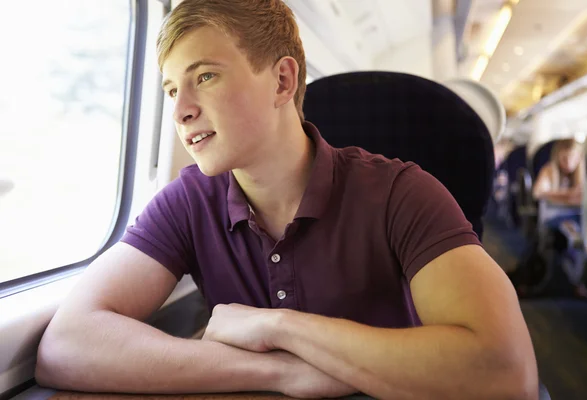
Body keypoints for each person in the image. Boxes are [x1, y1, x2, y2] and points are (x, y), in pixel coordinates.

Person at [35, 1, 538, 398]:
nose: (182, 110)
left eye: (204, 76)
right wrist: (278, 372)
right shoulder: (188, 201)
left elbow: (505, 371)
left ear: (282, 80)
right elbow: (67, 344)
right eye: (171, 90)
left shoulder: (400, 193)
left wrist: (278, 326)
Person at [532, 138, 587, 299]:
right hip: (554, 218)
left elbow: (582, 198)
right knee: (574, 237)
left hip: (576, 218)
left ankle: (579, 278)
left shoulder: (583, 175)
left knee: (582, 236)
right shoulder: (549, 170)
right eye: (564, 158)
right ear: (558, 157)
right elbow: (537, 193)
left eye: (573, 158)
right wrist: (569, 195)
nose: (569, 162)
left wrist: (553, 195)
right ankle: (577, 281)